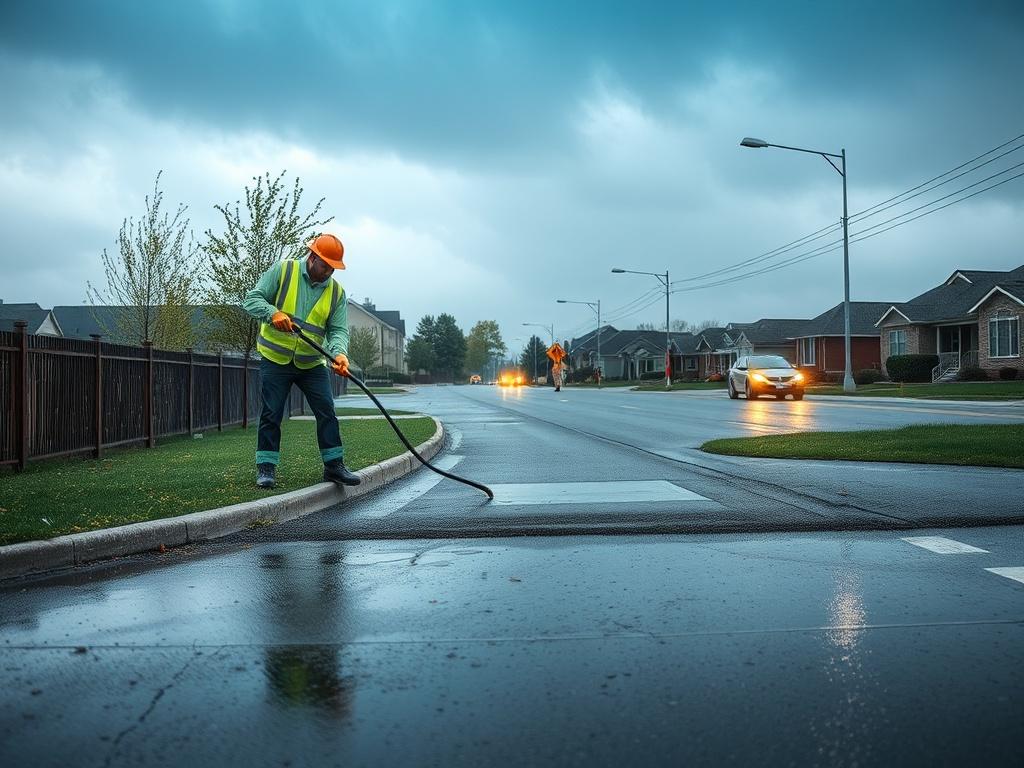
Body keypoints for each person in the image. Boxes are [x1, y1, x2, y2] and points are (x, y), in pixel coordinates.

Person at [242, 233, 361, 489]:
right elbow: (251, 300)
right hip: (275, 359)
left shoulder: (336, 292)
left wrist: (339, 354)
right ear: (312, 257)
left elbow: (338, 331)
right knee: (272, 413)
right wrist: (273, 313)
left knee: (326, 411)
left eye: (333, 268)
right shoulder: (283, 271)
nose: (329, 271)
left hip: (311, 364)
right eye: (325, 265)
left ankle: (334, 466)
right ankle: (266, 469)